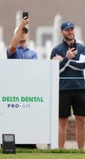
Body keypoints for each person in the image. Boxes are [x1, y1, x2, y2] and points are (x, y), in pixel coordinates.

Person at [50, 21, 85, 150]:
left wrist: (65, 60)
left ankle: (81, 151)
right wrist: (67, 59)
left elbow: (82, 66)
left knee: (81, 120)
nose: (70, 32)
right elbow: (54, 71)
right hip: (62, 89)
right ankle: (60, 150)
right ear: (62, 32)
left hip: (79, 88)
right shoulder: (56, 50)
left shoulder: (82, 48)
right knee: (62, 121)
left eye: (72, 29)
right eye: (67, 30)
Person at [7, 13, 38, 149]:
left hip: (29, 90)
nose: (23, 34)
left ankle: (29, 144)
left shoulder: (33, 53)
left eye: (25, 32)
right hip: (14, 90)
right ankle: (11, 144)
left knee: (29, 118)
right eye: (21, 33)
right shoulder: (12, 50)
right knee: (14, 118)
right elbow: (12, 47)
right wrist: (21, 26)